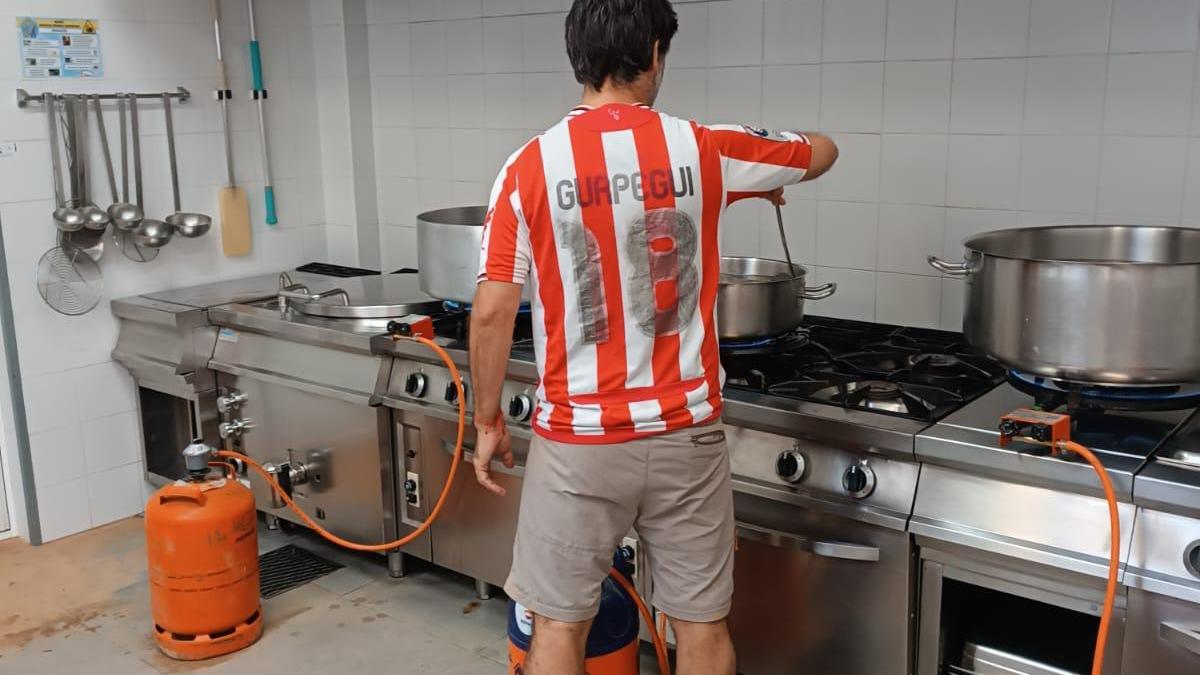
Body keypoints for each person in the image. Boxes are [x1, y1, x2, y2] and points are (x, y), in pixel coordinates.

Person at [467, 1, 838, 673]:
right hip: (685, 434)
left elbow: (493, 310)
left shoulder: (527, 166)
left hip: (578, 440)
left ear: (577, 56)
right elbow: (821, 151)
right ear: (655, 54)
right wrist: (756, 181)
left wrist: (487, 418)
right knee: (700, 627)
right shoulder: (706, 146)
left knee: (558, 628)